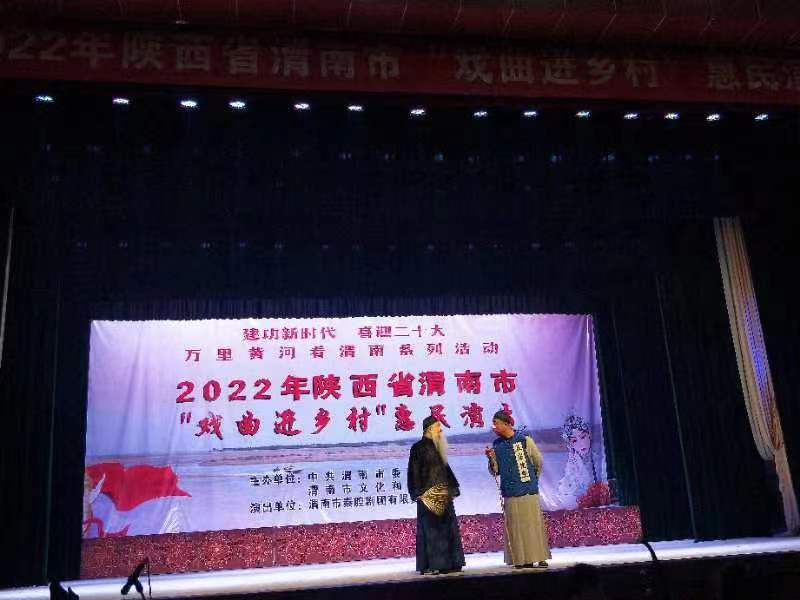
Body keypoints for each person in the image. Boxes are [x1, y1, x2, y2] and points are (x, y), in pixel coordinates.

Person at [485, 410, 551, 568]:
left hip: (528, 490)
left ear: (507, 424)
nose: (494, 427)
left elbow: (538, 462)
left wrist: (532, 480)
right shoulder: (497, 445)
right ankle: (520, 559)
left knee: (533, 525)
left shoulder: (524, 440)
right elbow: (495, 471)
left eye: (496, 423)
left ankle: (539, 557)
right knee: (516, 527)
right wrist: (490, 458)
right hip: (510, 491)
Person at [407, 415, 466, 574]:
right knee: (432, 531)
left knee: (448, 529)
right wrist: (417, 492)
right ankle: (434, 564)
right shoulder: (418, 447)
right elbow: (413, 471)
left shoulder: (437, 447)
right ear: (429, 429)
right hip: (428, 496)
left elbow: (445, 470)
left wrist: (453, 487)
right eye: (438, 427)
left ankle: (452, 563)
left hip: (443, 494)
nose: (440, 431)